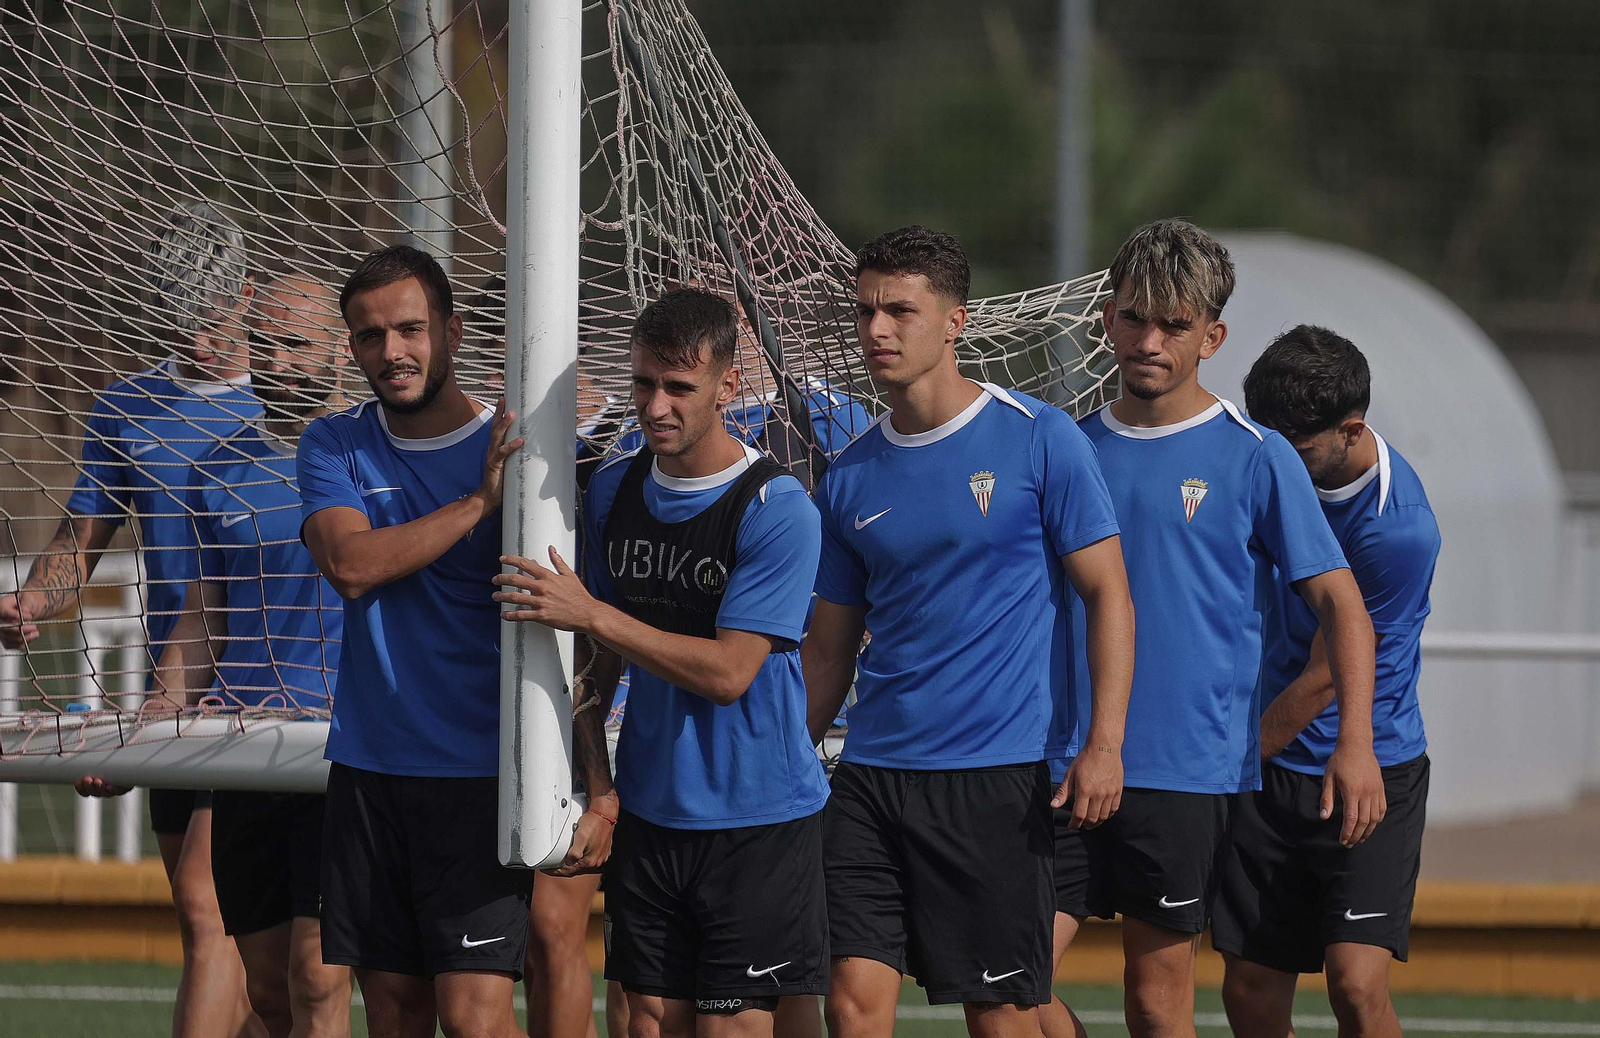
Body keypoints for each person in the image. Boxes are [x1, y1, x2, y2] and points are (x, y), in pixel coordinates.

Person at [1045, 221, 1385, 1038]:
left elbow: (1344, 608)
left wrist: (1358, 745)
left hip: (1186, 771)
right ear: (1107, 321)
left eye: (1174, 324)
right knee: (1011, 983)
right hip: (1062, 759)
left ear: (1212, 336)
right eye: (1135, 318)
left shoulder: (1256, 455)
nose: (1150, 340)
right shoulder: (1062, 446)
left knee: (1156, 1004)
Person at [801, 226, 1135, 1038]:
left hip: (999, 781)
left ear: (955, 321)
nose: (877, 330)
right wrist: (783, 768)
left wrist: (1104, 744)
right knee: (850, 1005)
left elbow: (1110, 597)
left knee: (999, 1016)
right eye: (866, 311)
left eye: (900, 311)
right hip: (872, 778)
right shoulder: (848, 476)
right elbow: (827, 653)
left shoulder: (1039, 437)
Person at [494, 287, 832, 1038]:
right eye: (645, 382)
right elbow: (593, 663)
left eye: (680, 387)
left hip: (759, 818)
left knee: (734, 1028)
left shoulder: (776, 506)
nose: (656, 405)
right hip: (650, 813)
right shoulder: (614, 490)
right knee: (644, 1020)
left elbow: (729, 672)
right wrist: (602, 791)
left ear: (727, 385)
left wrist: (595, 614)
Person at [296, 245, 614, 1038]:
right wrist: (478, 505)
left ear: (455, 331)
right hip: (370, 772)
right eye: (370, 336)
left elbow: (568, 626)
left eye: (410, 329)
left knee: (474, 1015)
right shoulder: (331, 443)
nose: (392, 352)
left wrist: (597, 783)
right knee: (395, 1015)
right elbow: (351, 563)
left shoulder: (522, 446)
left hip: (483, 774)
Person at [4, 200, 264, 1038]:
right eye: (180, 317)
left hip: (268, 683)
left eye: (213, 314)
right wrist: (33, 600)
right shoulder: (126, 406)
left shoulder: (294, 406)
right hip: (170, 690)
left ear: (248, 295)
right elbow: (81, 539)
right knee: (240, 939)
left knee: (208, 907)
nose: (198, 338)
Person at [1214, 326, 1440, 1038]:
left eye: (1298, 448)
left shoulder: (1396, 529)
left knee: (1355, 984)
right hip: (1268, 763)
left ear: (1351, 430)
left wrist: (1228, 766)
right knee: (1250, 984)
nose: (1277, 461)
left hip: (1364, 764)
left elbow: (1325, 677)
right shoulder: (1262, 467)